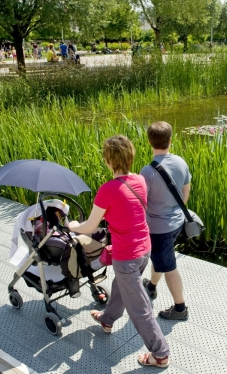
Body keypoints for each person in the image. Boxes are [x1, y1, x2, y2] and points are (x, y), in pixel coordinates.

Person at [68, 135, 170, 368]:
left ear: (108, 160)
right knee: (122, 286)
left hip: (127, 255)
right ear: (130, 156)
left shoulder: (108, 189)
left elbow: (90, 227)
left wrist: (72, 227)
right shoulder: (140, 181)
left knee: (139, 307)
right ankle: (107, 320)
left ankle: (160, 353)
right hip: (144, 249)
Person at [140, 122, 191, 320]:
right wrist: (176, 210)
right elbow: (186, 190)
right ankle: (151, 287)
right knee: (161, 258)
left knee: (169, 267)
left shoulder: (147, 171)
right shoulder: (180, 162)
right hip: (177, 223)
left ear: (149, 142)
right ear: (170, 140)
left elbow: (142, 202)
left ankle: (180, 309)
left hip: (158, 228)